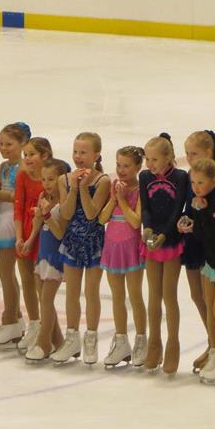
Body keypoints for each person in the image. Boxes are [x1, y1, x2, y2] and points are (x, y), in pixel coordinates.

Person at [52, 132, 109, 365]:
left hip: (94, 241)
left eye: (84, 152)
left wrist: (84, 188)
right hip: (72, 241)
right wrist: (74, 188)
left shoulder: (102, 181)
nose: (78, 156)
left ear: (96, 155)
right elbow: (66, 214)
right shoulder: (64, 180)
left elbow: (92, 213)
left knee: (91, 292)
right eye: (75, 151)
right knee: (72, 293)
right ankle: (72, 339)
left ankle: (91, 339)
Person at [177, 158, 215, 384]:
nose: (196, 187)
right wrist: (188, 221)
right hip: (210, 262)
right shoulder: (200, 201)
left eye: (200, 182)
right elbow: (200, 234)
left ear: (214, 180)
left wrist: (200, 215)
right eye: (193, 183)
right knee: (210, 308)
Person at [139, 133, 188, 374]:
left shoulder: (180, 177)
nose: (150, 164)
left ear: (168, 157)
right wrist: (147, 228)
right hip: (151, 240)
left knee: (169, 296)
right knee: (153, 296)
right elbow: (146, 208)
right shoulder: (144, 176)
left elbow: (178, 210)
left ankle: (172, 345)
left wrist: (164, 236)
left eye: (155, 159)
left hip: (171, 240)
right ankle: (154, 343)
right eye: (147, 159)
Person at [99, 146, 147, 368]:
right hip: (112, 247)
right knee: (117, 296)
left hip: (131, 248)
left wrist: (123, 200)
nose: (121, 169)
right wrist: (113, 199)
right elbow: (102, 219)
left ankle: (141, 340)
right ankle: (121, 342)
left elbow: (136, 222)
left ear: (138, 167)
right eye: (118, 165)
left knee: (135, 296)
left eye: (126, 166)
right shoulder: (114, 185)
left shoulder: (140, 189)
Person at [182, 130, 215, 373]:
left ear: (208, 152)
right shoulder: (192, 176)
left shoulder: (213, 180)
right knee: (198, 296)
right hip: (193, 240)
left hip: (210, 245)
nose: (189, 158)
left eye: (194, 153)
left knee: (212, 300)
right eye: (187, 153)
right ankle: (213, 341)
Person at [0, 122, 29, 348]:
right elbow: (5, 190)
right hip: (2, 217)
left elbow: (25, 197)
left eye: (9, 144)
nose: (3, 148)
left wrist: (6, 196)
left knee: (6, 272)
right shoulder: (4, 166)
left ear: (22, 144)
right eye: (1, 143)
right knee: (6, 273)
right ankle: (15, 318)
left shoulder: (24, 167)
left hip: (14, 221)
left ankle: (10, 319)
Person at [24, 158, 68, 362]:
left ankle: (43, 342)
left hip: (56, 255)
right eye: (44, 179)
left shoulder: (64, 204)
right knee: (44, 300)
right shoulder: (43, 196)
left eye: (51, 179)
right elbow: (38, 223)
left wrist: (47, 214)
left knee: (47, 300)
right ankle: (58, 341)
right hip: (42, 253)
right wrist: (30, 240)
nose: (47, 183)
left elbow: (61, 234)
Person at [14, 137, 53, 353]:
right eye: (25, 155)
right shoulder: (22, 176)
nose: (27, 159)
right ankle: (34, 324)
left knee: (41, 285)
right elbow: (18, 209)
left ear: (45, 155)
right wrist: (19, 238)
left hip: (43, 232)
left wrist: (30, 238)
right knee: (26, 280)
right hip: (25, 232)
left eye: (32, 154)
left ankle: (46, 330)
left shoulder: (50, 178)